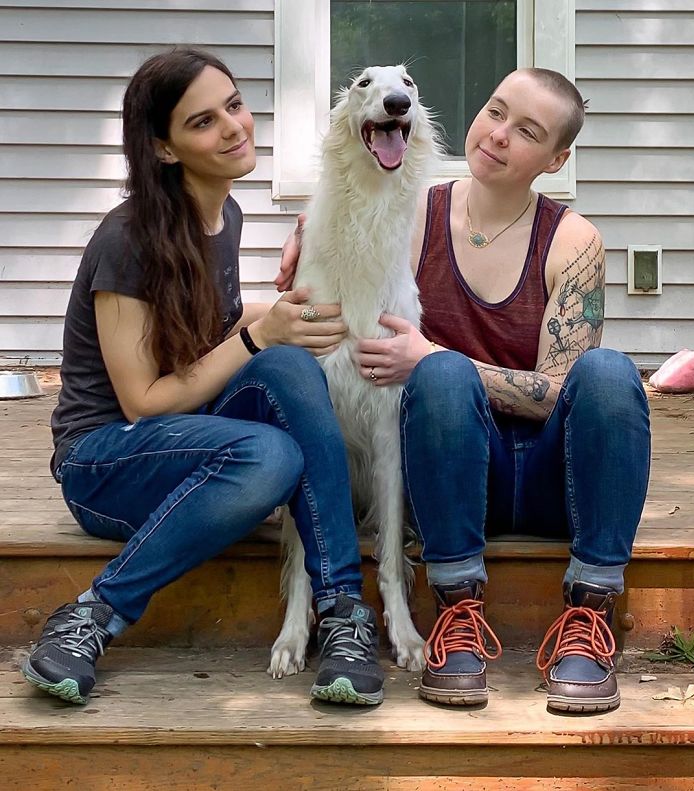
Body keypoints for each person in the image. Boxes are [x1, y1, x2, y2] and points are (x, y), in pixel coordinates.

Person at [277, 68, 650, 713]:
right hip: (447, 480)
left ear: (557, 159)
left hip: (546, 480)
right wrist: (308, 232)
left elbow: (563, 391)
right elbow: (347, 211)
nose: (499, 135)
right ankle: (457, 614)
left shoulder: (572, 241)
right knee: (442, 379)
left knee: (608, 373)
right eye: (496, 111)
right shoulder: (413, 212)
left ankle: (589, 618)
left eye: (527, 131)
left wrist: (432, 356)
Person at [21, 48, 384, 708]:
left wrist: (303, 298)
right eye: (203, 122)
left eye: (235, 105)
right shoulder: (128, 239)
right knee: (269, 450)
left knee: (289, 366)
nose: (234, 127)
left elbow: (216, 325)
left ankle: (342, 614)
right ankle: (91, 617)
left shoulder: (224, 215)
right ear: (163, 149)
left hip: (188, 442)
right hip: (104, 461)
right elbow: (143, 399)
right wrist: (258, 333)